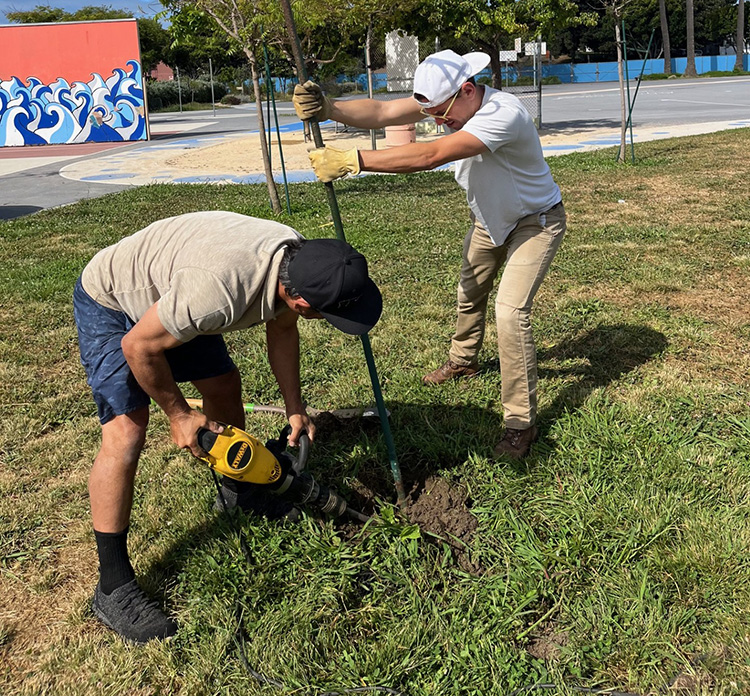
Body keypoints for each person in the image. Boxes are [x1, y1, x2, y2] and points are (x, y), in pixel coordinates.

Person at [74, 210, 382, 643]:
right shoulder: (217, 293)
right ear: (303, 300)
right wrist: (180, 415)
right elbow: (138, 345)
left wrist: (295, 406)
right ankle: (112, 584)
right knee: (127, 431)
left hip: (173, 290)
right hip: (111, 301)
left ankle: (239, 493)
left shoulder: (299, 261)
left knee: (223, 384)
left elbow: (283, 327)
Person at [294, 50, 565, 462]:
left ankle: (519, 424)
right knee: (469, 292)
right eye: (432, 114)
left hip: (536, 221)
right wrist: (329, 107)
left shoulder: (503, 113)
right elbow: (383, 112)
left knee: (510, 313)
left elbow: (431, 155)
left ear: (468, 90)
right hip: (489, 220)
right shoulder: (447, 100)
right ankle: (463, 361)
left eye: (442, 114)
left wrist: (355, 160)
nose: (437, 122)